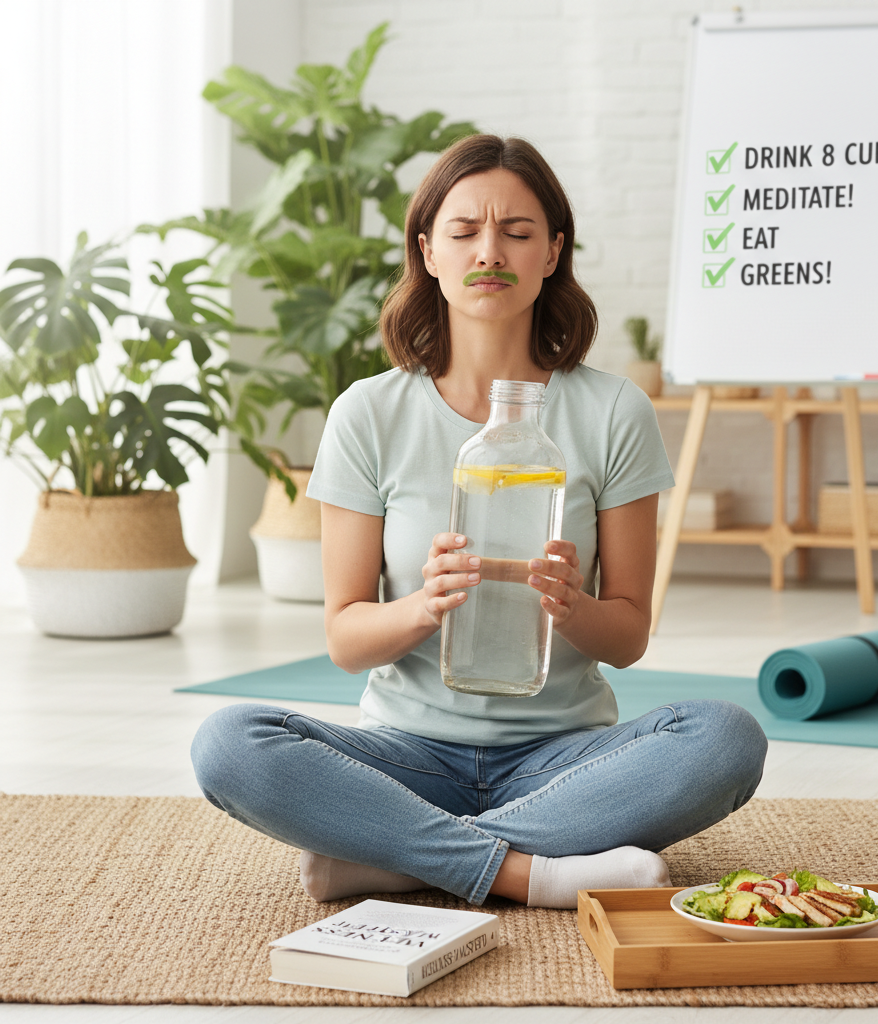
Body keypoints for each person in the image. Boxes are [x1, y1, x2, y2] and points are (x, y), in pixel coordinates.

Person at [191, 135, 767, 909]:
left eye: (517, 232)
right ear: (427, 252)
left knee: (727, 737)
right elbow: (345, 636)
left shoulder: (612, 410)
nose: (489, 251)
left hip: (565, 756)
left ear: (553, 252)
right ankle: (525, 871)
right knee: (229, 744)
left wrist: (573, 606)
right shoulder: (369, 413)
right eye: (464, 232)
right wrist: (424, 607)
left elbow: (627, 637)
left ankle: (396, 855)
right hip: (405, 752)